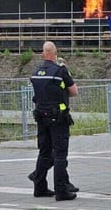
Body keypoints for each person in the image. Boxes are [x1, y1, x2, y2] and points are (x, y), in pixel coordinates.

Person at [28, 41, 79, 201]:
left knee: (44, 152)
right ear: (55, 54)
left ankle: (40, 187)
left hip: (41, 117)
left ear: (44, 54)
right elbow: (74, 92)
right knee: (60, 154)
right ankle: (61, 191)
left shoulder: (36, 72)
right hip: (58, 118)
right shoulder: (59, 71)